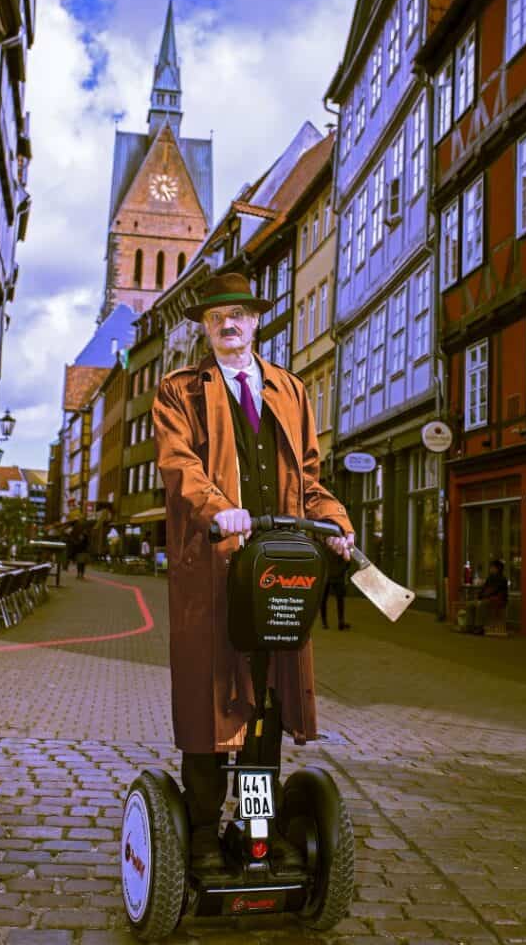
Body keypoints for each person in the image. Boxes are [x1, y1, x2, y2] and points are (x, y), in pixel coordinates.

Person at [152, 272, 355, 870]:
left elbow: (310, 479)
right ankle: (203, 836)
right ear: (207, 328)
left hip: (277, 573)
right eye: (218, 317)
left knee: (266, 702)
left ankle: (258, 825)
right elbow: (179, 465)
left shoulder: (289, 391)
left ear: (257, 321)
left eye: (239, 313)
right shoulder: (180, 390)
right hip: (214, 572)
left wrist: (336, 521)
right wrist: (220, 511)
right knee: (212, 703)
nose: (229, 323)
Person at [467, 559, 508, 633]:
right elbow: (484, 589)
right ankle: (470, 625)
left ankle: (479, 626)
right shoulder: (490, 578)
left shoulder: (502, 579)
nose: (490, 569)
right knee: (470, 604)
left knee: (481, 605)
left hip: (497, 600)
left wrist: (484, 596)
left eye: (492, 567)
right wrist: (480, 596)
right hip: (487, 598)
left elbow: (496, 591)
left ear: (497, 568)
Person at [321, 550, 350, 630]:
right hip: (337, 575)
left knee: (323, 599)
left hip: (326, 575)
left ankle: (324, 623)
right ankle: (341, 622)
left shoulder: (323, 545)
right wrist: (342, 570)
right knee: (340, 599)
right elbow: (347, 561)